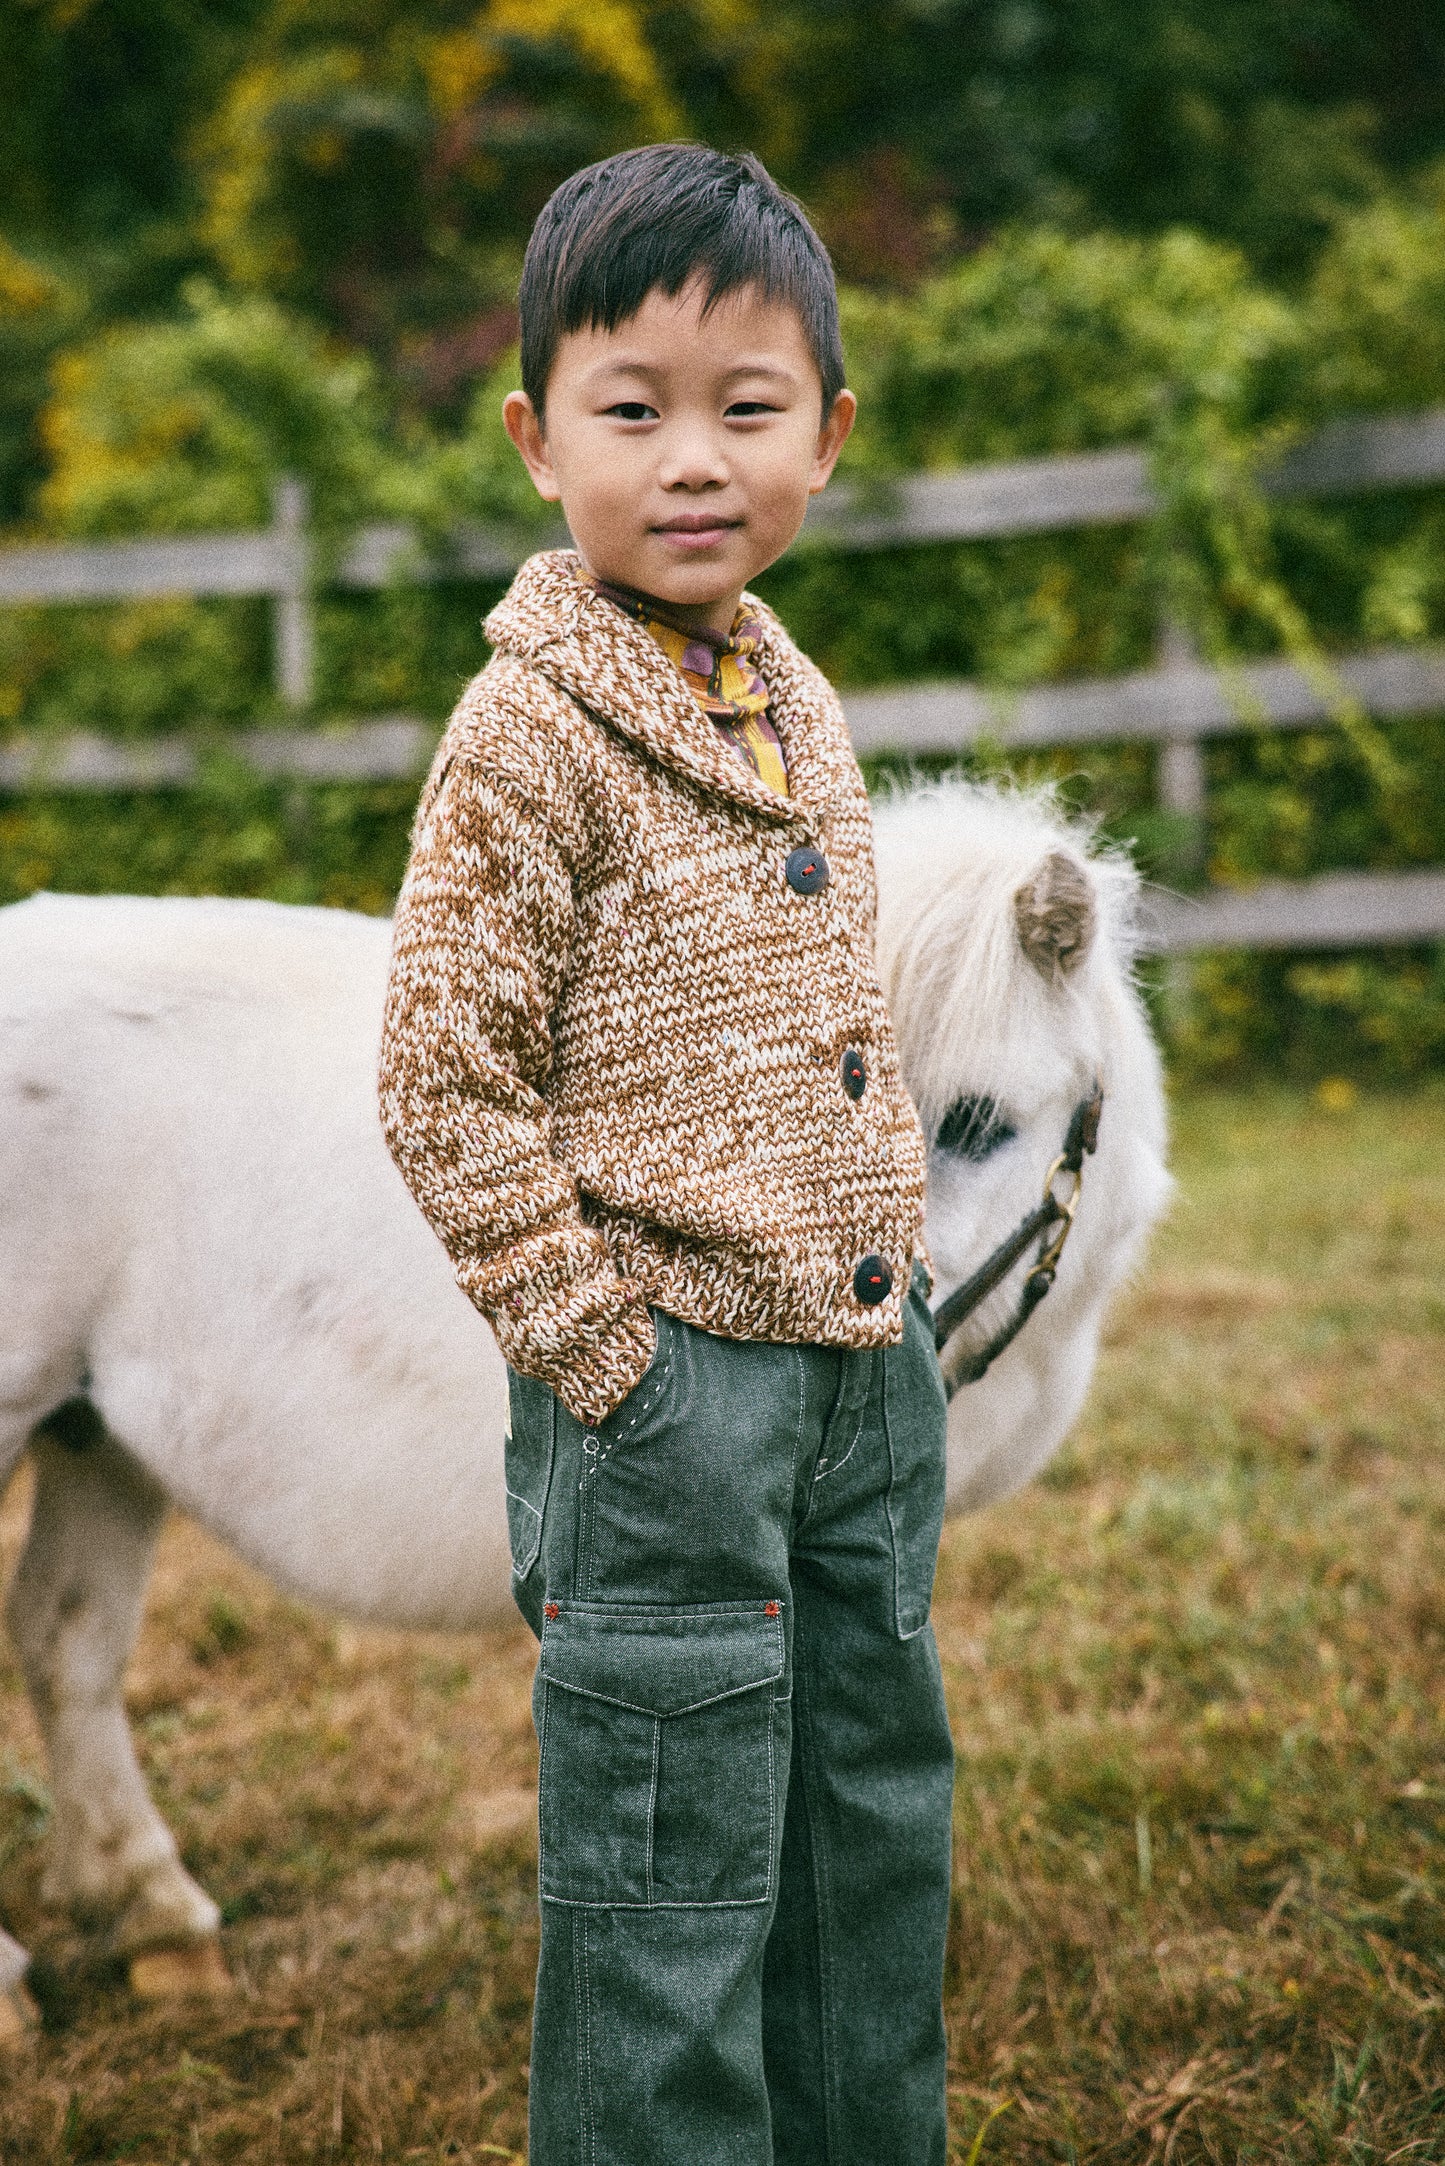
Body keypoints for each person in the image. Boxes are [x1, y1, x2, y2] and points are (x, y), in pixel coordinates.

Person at [378, 141, 954, 2166]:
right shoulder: (527, 735)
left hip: (860, 1385)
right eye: (634, 411)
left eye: (748, 408)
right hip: (669, 1400)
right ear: (541, 441)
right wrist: (597, 1353)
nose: (692, 460)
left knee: (866, 1831)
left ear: (830, 435)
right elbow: (442, 1079)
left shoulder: (796, 698)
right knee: (669, 1874)